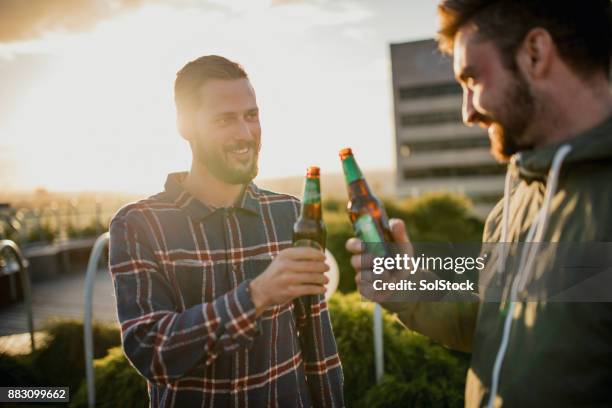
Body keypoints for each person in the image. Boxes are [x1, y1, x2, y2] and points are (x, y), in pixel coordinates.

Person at [347, 1, 612, 406]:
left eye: (472, 79)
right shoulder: (518, 197)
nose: (467, 112)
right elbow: (492, 323)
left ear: (535, 53)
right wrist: (407, 288)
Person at [109, 55, 344, 407]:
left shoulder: (290, 213)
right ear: (185, 126)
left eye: (252, 115)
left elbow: (318, 345)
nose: (245, 134)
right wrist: (256, 295)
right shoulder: (139, 225)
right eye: (225, 119)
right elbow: (149, 350)